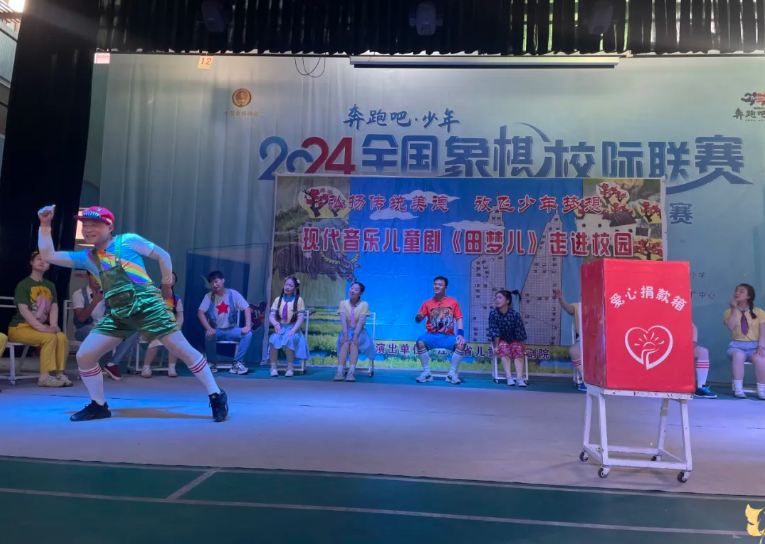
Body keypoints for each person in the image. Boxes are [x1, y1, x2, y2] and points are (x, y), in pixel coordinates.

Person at [36, 205, 228, 422]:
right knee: (85, 356)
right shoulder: (87, 256)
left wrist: (166, 286)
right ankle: (98, 405)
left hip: (148, 307)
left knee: (183, 350)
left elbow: (163, 256)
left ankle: (216, 394)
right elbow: (48, 255)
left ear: (110, 227)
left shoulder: (127, 241)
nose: (88, 229)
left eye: (95, 224)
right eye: (85, 225)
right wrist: (45, 224)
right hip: (119, 313)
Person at [8, 251, 71, 388]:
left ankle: (60, 373)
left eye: (46, 260)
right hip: (20, 327)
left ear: (49, 266)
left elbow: (54, 307)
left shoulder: (50, 285)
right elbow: (24, 310)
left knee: (61, 337)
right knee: (49, 338)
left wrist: (53, 324)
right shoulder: (24, 284)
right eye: (39, 259)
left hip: (39, 328)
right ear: (31, 262)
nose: (42, 262)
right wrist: (42, 328)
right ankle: (44, 377)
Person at [72, 272, 139, 380]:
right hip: (84, 328)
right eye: (94, 276)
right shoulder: (79, 294)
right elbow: (81, 318)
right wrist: (94, 302)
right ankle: (89, 365)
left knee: (133, 330)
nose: (97, 280)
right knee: (95, 331)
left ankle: (112, 364)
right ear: (88, 276)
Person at [197, 270, 252, 375]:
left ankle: (237, 363)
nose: (214, 285)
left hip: (232, 330)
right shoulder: (209, 296)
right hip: (216, 330)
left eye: (216, 281)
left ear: (223, 280)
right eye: (211, 283)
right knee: (208, 335)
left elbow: (246, 308)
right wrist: (208, 328)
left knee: (248, 334)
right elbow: (200, 313)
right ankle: (211, 363)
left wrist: (247, 325)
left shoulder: (233, 294)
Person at [414, 276, 466, 385]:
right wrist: (418, 317)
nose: (437, 286)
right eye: (435, 284)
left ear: (446, 287)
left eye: (440, 285)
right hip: (431, 335)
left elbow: (459, 318)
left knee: (461, 345)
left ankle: (451, 374)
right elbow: (418, 319)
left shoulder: (453, 302)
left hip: (448, 336)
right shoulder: (427, 303)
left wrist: (460, 334)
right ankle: (427, 373)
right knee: (420, 342)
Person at [723, 283, 765, 400]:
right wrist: (733, 309)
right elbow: (731, 327)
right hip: (736, 346)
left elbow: (763, 331)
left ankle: (762, 390)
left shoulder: (759, 312)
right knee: (738, 356)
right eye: (736, 290)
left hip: (755, 346)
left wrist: (761, 347)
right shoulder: (728, 312)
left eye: (741, 291)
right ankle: (738, 389)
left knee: (760, 358)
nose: (737, 293)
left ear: (749, 296)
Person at [142, 272, 183, 378]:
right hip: (153, 327)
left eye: (172, 279)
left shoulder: (176, 298)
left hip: (169, 328)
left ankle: (172, 368)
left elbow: (180, 315)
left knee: (174, 340)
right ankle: (146, 368)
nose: (169, 280)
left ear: (174, 282)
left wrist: (177, 327)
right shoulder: (153, 294)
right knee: (158, 339)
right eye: (168, 278)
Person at [268, 276, 310, 377]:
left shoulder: (298, 300)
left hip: (293, 328)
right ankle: (273, 368)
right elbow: (271, 316)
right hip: (281, 328)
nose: (287, 287)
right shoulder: (278, 300)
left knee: (289, 340)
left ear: (294, 288)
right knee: (273, 340)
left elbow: (300, 318)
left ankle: (290, 368)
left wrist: (294, 330)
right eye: (286, 284)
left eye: (290, 285)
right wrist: (276, 324)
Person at [334, 282, 375, 383]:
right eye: (352, 288)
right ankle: (339, 371)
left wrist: (356, 336)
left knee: (354, 344)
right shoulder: (343, 303)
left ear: (360, 293)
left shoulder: (364, 304)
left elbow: (361, 322)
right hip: (346, 331)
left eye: (356, 290)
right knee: (345, 342)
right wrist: (345, 335)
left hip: (359, 332)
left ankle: (351, 372)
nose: (352, 291)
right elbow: (343, 321)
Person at [488, 289, 528, 387]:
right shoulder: (493, 314)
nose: (497, 300)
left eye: (500, 298)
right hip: (500, 340)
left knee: (517, 348)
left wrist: (524, 348)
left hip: (513, 340)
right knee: (503, 347)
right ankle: (509, 377)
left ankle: (519, 378)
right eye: (496, 298)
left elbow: (520, 332)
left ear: (507, 301)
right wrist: (496, 346)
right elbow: (495, 332)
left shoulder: (515, 315)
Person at [554, 289, 586, 392]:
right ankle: (586, 379)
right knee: (574, 351)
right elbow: (569, 309)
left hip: (598, 339)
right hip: (583, 338)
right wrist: (560, 299)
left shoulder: (600, 306)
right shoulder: (578, 306)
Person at [693, 323, 715, 399]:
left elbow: (692, 327)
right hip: (665, 345)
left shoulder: (685, 320)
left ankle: (700, 387)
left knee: (703, 352)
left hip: (681, 346)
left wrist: (693, 340)